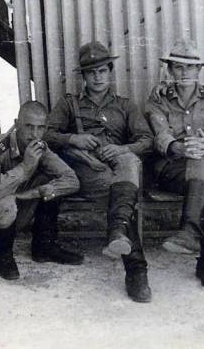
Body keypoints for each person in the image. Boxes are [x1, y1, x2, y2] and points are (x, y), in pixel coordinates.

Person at [45, 41, 153, 303]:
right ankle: (136, 271)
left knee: (128, 168)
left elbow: (147, 140)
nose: (97, 77)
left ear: (110, 72)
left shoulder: (125, 106)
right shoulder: (69, 104)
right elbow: (46, 134)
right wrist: (74, 139)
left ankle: (118, 233)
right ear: (83, 76)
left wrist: (122, 148)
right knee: (121, 197)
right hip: (87, 167)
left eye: (102, 71)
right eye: (91, 72)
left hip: (119, 164)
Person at [146, 39, 204, 290]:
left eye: (190, 67)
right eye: (178, 67)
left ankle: (190, 231)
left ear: (199, 70)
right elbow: (160, 133)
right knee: (202, 181)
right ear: (169, 70)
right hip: (172, 168)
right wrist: (178, 147)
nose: (184, 73)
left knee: (202, 163)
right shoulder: (158, 99)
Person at [0, 101, 84, 280]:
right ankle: (2, 254)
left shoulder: (39, 148)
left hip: (15, 213)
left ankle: (44, 247)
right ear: (17, 124)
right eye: (29, 127)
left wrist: (33, 193)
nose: (34, 134)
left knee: (50, 183)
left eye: (40, 128)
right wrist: (25, 167)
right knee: (7, 203)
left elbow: (71, 180)